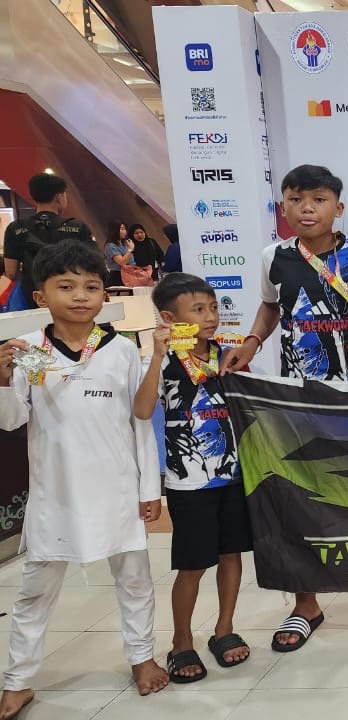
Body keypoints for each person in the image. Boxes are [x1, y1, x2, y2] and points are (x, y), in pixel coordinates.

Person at [220, 164, 348, 650]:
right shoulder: (274, 256)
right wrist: (252, 341)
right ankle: (306, 604)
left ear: (337, 207)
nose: (307, 209)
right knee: (300, 496)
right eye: (296, 199)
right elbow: (270, 307)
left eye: (318, 200)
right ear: (283, 206)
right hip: (298, 395)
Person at [0, 240, 168, 719]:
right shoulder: (29, 351)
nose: (80, 296)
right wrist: (1, 380)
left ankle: (142, 657)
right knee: (35, 591)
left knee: (135, 581)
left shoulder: (121, 350)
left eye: (91, 287)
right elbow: (12, 419)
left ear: (104, 294)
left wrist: (149, 489)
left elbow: (139, 422)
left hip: (117, 490)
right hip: (55, 494)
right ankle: (18, 681)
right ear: (41, 297)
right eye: (66, 286)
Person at [134, 273, 251, 684]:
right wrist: (156, 355)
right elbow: (143, 410)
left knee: (231, 555)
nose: (211, 317)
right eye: (198, 310)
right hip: (189, 484)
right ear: (169, 318)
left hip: (232, 476)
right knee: (192, 565)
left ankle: (224, 628)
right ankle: (181, 640)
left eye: (213, 307)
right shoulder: (164, 361)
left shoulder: (228, 355)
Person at [2, 173, 96, 309]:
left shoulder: (16, 228)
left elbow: (10, 272)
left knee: (33, 324)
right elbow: (93, 265)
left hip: (31, 297)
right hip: (71, 298)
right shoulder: (78, 227)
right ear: (59, 197)